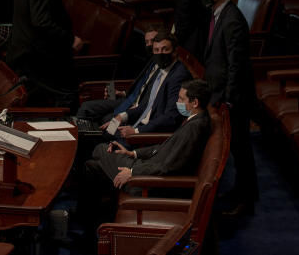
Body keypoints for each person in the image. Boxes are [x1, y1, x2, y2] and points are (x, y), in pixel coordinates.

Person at [80, 79, 213, 226]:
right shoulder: (194, 120)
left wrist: (132, 172)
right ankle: (90, 225)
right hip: (147, 168)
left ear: (195, 103)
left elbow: (168, 167)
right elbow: (163, 148)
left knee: (101, 149)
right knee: (91, 166)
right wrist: (133, 153)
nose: (177, 102)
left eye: (181, 99)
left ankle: (88, 224)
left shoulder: (195, 128)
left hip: (146, 183)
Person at [199, 0, 257, 216]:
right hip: (221, 92)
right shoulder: (218, 14)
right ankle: (238, 191)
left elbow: (237, 64)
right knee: (235, 149)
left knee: (241, 149)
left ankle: (247, 200)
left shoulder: (232, 19)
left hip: (235, 98)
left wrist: (230, 99)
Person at [5, 0, 85, 106]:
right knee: (68, 95)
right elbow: (41, 22)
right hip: (39, 58)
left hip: (23, 51)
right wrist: (70, 39)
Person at [76, 27, 190, 139]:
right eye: (156, 50)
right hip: (137, 117)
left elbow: (170, 117)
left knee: (101, 136)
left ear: (175, 51)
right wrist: (121, 117)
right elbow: (148, 103)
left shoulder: (178, 75)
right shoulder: (162, 68)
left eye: (165, 49)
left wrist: (136, 131)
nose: (160, 53)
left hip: (147, 132)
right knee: (98, 131)